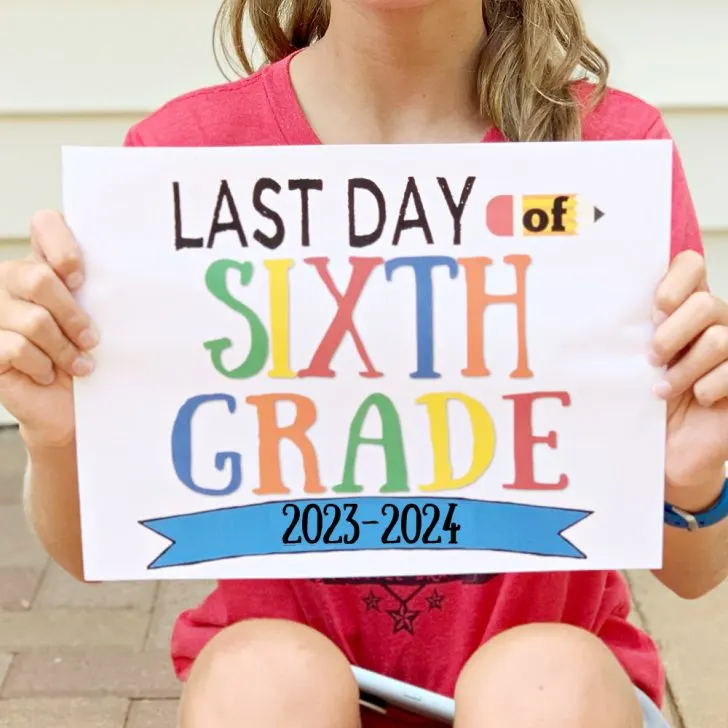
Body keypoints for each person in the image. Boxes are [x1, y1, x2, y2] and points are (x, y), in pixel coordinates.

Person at [3, 0, 728, 726]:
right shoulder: (178, 162)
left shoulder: (611, 154)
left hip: (556, 699)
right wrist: (60, 434)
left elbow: (695, 573)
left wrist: (690, 482)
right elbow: (89, 553)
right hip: (277, 693)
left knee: (545, 677)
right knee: (260, 679)